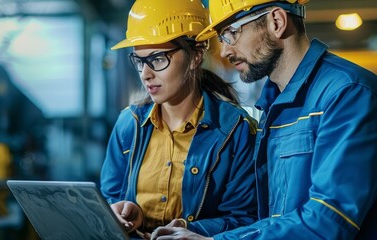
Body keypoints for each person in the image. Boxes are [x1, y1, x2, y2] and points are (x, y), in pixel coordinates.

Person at [150, 0, 377, 239]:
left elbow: (330, 218)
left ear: (276, 22)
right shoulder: (273, 105)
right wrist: (193, 231)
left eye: (231, 33)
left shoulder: (347, 93)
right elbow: (269, 219)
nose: (225, 51)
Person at [100, 0, 259, 238]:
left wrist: (189, 230)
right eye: (139, 61)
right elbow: (110, 196)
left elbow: (245, 219)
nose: (146, 74)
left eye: (158, 59)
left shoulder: (235, 131)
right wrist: (125, 212)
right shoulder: (129, 124)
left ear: (195, 56)